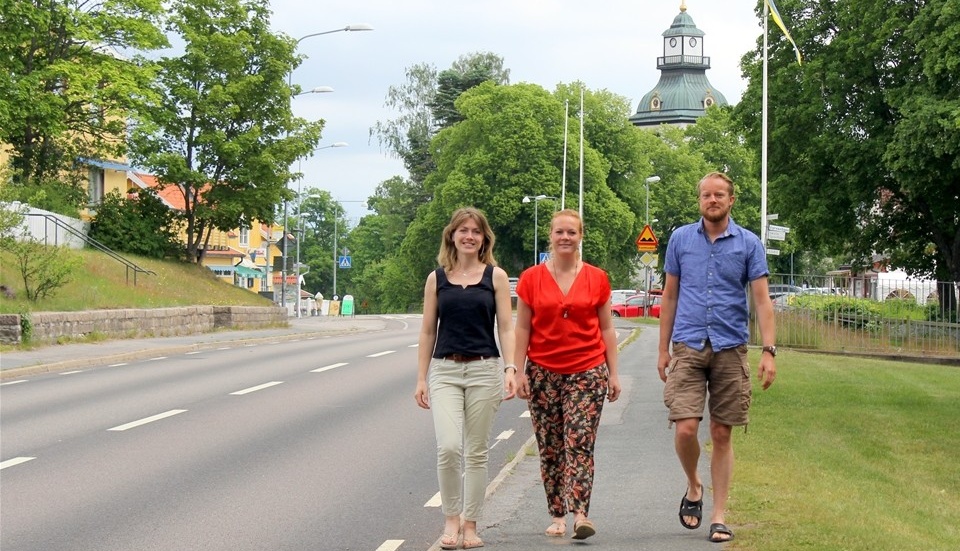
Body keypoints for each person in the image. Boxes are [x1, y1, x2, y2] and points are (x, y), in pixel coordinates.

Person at [657, 171, 777, 543]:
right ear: (700, 200)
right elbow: (670, 296)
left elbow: (761, 300)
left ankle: (719, 516)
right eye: (706, 195)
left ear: (731, 200)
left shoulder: (748, 243)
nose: (712, 200)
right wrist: (662, 349)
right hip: (688, 344)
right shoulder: (679, 239)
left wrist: (769, 351)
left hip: (730, 346)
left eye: (719, 195)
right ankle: (694, 485)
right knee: (685, 428)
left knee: (723, 432)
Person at [511, 208, 621, 541]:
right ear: (551, 236)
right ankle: (557, 514)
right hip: (543, 372)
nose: (565, 238)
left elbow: (607, 327)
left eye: (571, 232)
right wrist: (518, 371)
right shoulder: (531, 278)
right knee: (550, 446)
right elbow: (522, 328)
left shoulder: (597, 278)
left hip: (587, 370)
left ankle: (580, 515)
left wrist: (614, 373)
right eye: (559, 232)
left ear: (580, 236)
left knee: (579, 442)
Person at [415, 207, 517, 550]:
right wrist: (421, 378)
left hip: (484, 369)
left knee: (476, 452)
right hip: (444, 369)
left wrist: (510, 368)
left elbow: (505, 326)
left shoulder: (496, 277)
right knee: (448, 447)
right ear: (452, 236)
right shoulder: (437, 279)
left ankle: (471, 526)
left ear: (484, 238)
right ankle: (451, 520)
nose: (469, 236)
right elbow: (428, 329)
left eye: (475, 231)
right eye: (463, 230)